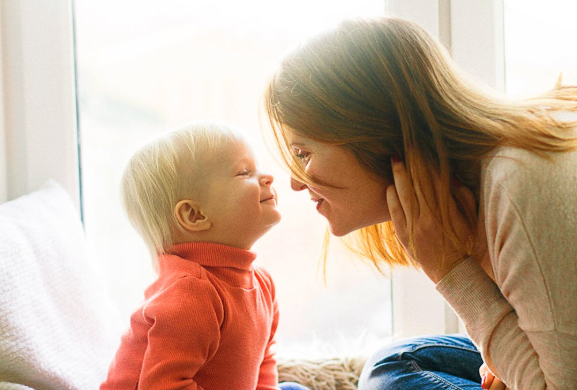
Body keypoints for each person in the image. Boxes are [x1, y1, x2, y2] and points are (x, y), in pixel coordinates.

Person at [261, 16, 577, 390]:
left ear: (374, 132)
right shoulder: (482, 185)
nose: (296, 183)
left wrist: (452, 271)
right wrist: (503, 362)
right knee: (393, 365)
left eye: (302, 153)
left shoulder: (518, 184)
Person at [100, 121, 302, 389]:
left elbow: (264, 360)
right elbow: (163, 386)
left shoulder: (262, 283)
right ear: (195, 215)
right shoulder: (191, 294)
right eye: (244, 172)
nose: (267, 178)